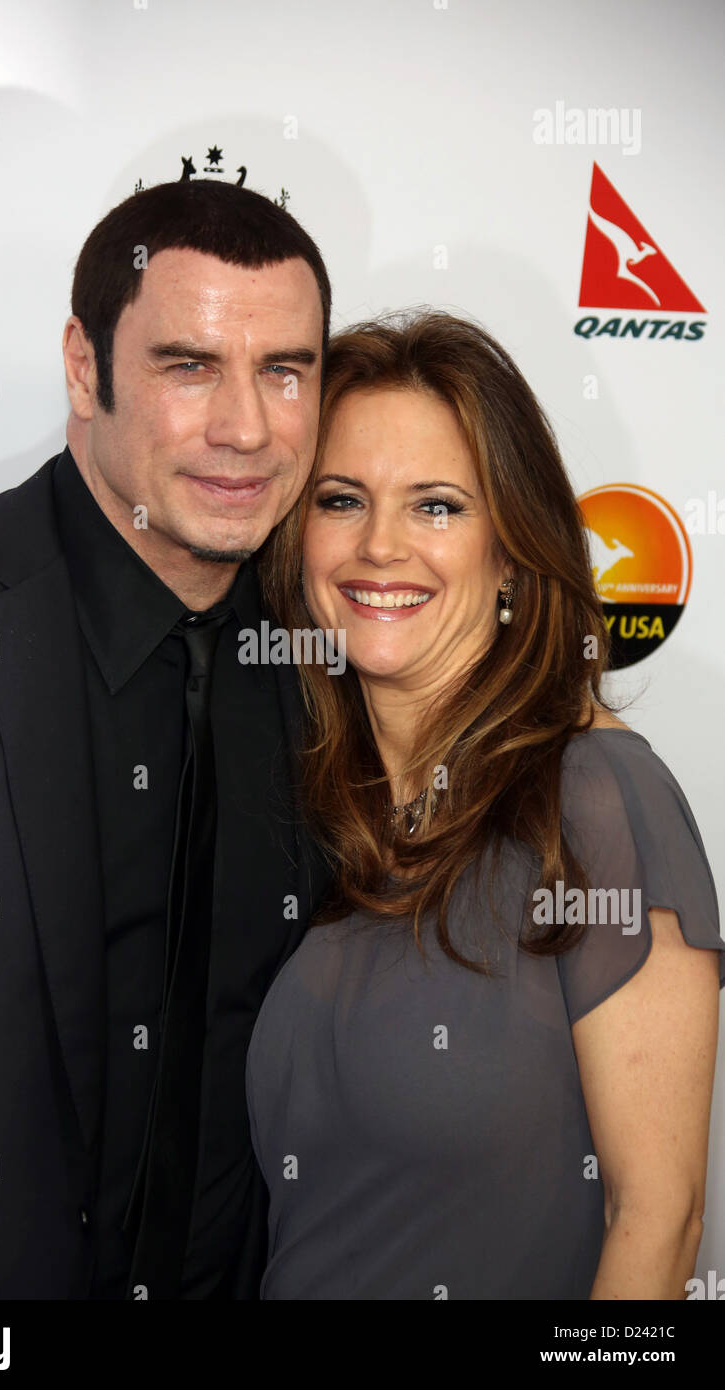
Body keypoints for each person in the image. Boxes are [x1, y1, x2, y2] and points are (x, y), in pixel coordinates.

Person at [0, 178, 333, 1300]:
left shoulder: (337, 657)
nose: (245, 430)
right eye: (188, 366)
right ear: (84, 365)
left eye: (284, 371)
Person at [247, 310, 725, 1300]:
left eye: (435, 507)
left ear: (510, 553)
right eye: (341, 499)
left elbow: (655, 1221)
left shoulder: (595, 799)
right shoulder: (333, 821)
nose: (379, 547)